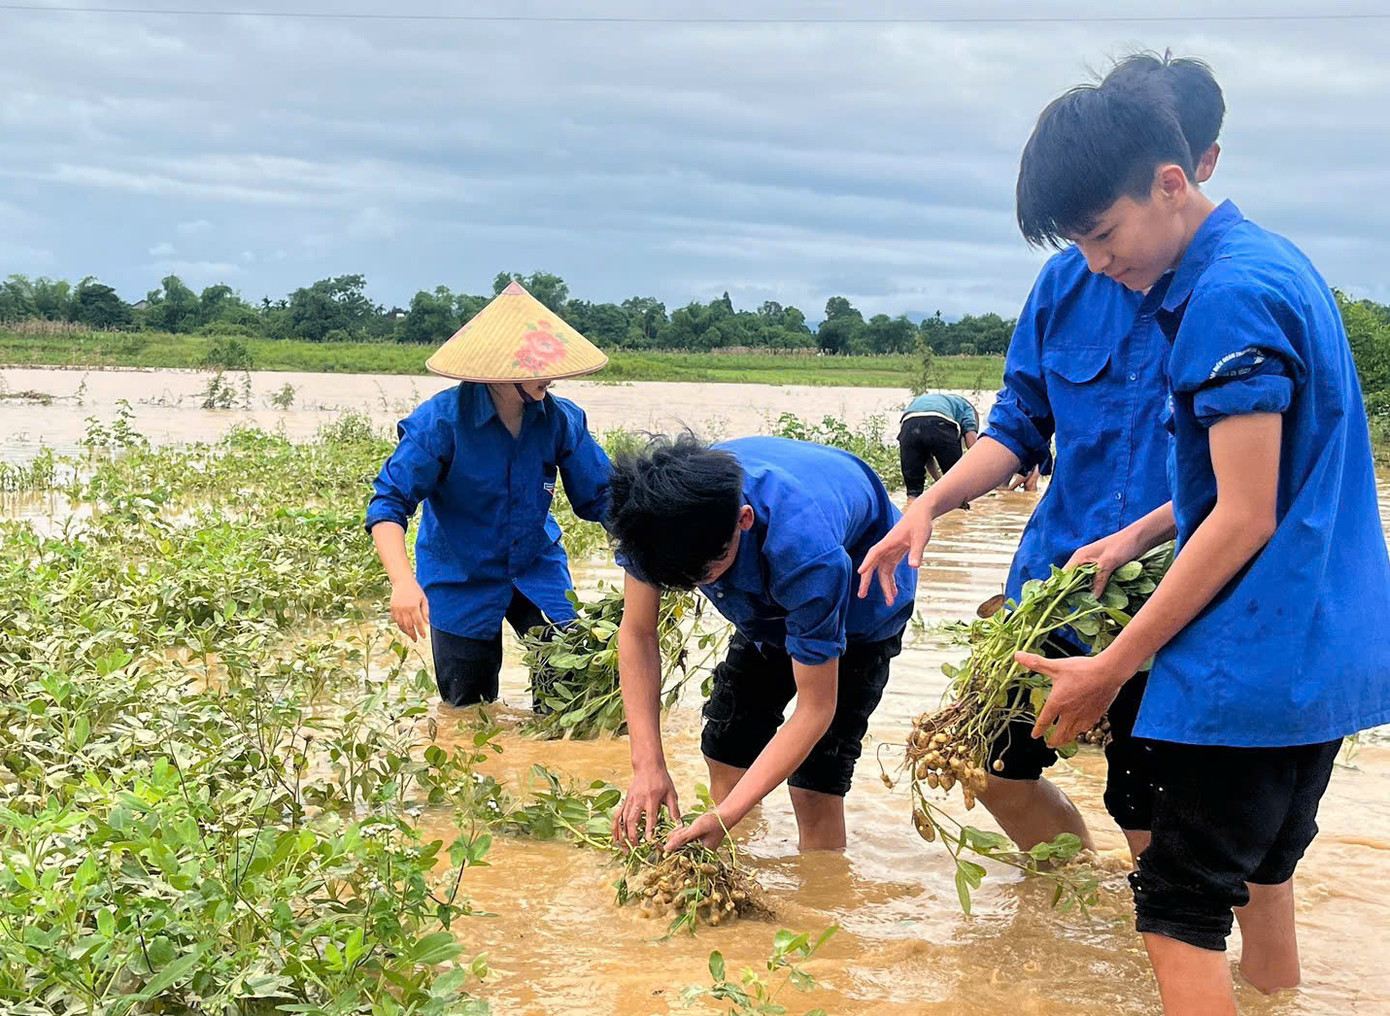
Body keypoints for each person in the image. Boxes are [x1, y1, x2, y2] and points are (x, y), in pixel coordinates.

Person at [1006, 72, 1390, 1013]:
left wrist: (1114, 664)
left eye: (1102, 235)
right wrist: (1131, 533)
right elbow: (1252, 474)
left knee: (1175, 908)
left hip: (1251, 660)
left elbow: (1247, 516)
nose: (1096, 265)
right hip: (1318, 657)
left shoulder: (1224, 299)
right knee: (1256, 876)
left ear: (1171, 183)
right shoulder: (1274, 262)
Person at [859, 51, 1225, 859]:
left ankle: (1147, 952)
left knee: (1150, 813)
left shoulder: (1230, 294)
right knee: (989, 766)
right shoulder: (1066, 284)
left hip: (1175, 597)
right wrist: (925, 503)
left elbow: (1243, 487)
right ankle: (1071, 912)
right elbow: (1017, 425)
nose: (1105, 251)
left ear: (1189, 171)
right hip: (1055, 584)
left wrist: (1144, 539)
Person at [606, 434, 916, 853]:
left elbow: (815, 708)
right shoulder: (658, 515)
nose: (696, 586)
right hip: (765, 612)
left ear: (743, 520)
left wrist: (726, 815)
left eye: (705, 575)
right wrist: (647, 765)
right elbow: (638, 632)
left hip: (863, 605)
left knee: (815, 786)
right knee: (726, 749)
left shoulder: (808, 556)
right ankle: (732, 862)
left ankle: (818, 898)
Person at [365, 282, 612, 710]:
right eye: (537, 369)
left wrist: (654, 558)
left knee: (573, 689)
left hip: (537, 564)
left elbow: (606, 497)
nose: (549, 378)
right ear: (498, 373)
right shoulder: (440, 423)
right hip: (460, 575)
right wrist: (403, 583)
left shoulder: (560, 420)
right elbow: (388, 504)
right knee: (469, 710)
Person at [897, 392, 979, 504]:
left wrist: (939, 482)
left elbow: (926, 456)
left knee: (913, 493)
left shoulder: (927, 400)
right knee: (955, 490)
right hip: (940, 425)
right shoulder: (966, 407)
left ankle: (910, 516)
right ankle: (956, 518)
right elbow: (972, 443)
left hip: (909, 427)